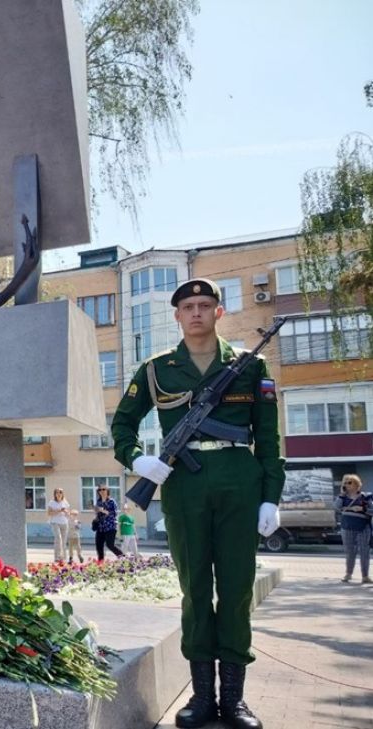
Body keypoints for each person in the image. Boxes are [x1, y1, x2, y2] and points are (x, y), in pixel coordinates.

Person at [112, 278, 283, 729]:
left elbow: (268, 439)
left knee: (237, 590)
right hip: (184, 485)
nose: (196, 313)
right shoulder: (156, 369)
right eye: (188, 307)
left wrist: (271, 498)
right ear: (177, 316)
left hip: (239, 484)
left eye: (205, 305)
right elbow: (122, 425)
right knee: (195, 591)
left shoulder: (250, 366)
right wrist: (137, 459)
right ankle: (202, 697)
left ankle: (234, 700)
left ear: (218, 312)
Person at [334, 474, 370, 584]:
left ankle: (365, 576)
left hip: (363, 527)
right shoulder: (342, 497)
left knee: (364, 552)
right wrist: (342, 495)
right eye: (345, 483)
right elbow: (336, 507)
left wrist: (362, 509)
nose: (346, 484)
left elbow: (371, 509)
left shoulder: (365, 497)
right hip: (347, 527)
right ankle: (348, 574)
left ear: (357, 484)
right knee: (350, 552)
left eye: (349, 482)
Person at [92, 485, 123, 561]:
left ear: (107, 491)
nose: (102, 491)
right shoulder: (98, 502)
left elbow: (114, 513)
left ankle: (123, 557)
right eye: (100, 490)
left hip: (110, 526)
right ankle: (101, 562)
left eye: (104, 489)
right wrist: (96, 513)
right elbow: (98, 514)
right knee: (99, 545)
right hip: (100, 527)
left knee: (110, 545)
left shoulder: (111, 501)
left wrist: (103, 510)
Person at [46, 488, 71, 562]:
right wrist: (59, 510)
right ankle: (57, 557)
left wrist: (66, 512)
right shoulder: (52, 502)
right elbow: (49, 513)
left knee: (63, 540)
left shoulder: (65, 502)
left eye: (60, 492)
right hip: (55, 522)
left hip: (64, 523)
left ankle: (63, 557)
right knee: (58, 538)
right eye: (57, 493)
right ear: (55, 494)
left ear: (62, 494)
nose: (59, 494)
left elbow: (69, 513)